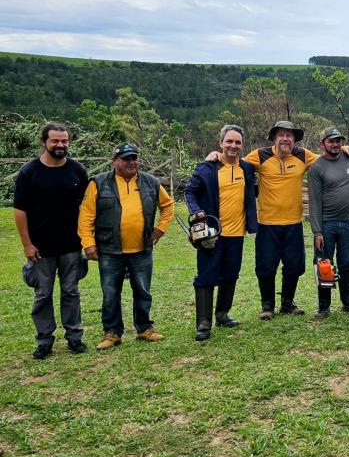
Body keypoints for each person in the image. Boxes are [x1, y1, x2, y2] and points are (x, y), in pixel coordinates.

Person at [78, 143, 175, 350]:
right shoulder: (98, 183)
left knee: (143, 291)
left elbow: (168, 206)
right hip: (109, 250)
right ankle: (112, 333)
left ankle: (144, 328)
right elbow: (86, 216)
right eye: (126, 159)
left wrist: (161, 228)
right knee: (110, 293)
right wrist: (88, 243)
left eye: (134, 158)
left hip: (141, 249)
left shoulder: (151, 182)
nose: (131, 162)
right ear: (114, 161)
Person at [13, 123, 89, 359]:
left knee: (71, 292)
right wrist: (27, 244)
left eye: (64, 141)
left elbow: (87, 208)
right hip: (41, 248)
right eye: (55, 140)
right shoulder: (29, 172)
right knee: (43, 294)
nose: (60, 145)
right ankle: (44, 340)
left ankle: (74, 336)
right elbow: (20, 210)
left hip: (71, 245)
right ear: (44, 142)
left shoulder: (77, 171)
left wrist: (88, 238)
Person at [240, 121, 319, 320]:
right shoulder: (260, 155)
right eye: (281, 135)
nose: (285, 139)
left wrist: (344, 149)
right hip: (267, 224)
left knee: (295, 266)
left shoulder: (303, 155)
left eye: (289, 135)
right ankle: (267, 306)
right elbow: (235, 163)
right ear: (274, 138)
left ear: (294, 139)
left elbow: (327, 158)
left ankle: (287, 304)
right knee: (265, 267)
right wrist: (215, 156)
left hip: (294, 223)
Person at [185, 125, 257, 340]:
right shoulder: (207, 168)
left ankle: (222, 314)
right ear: (221, 143)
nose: (233, 145)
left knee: (231, 274)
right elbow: (190, 191)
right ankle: (203, 323)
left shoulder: (247, 168)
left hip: (236, 234)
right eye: (229, 141)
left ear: (242, 145)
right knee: (206, 275)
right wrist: (196, 211)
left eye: (237, 142)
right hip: (212, 235)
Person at [308, 127, 349, 317]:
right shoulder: (317, 167)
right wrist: (317, 231)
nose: (335, 144)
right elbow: (314, 202)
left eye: (338, 141)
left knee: (347, 263)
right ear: (322, 144)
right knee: (324, 264)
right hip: (327, 224)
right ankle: (324, 306)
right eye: (331, 141)